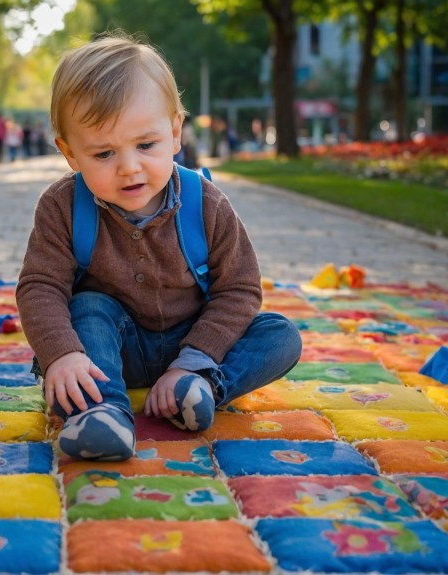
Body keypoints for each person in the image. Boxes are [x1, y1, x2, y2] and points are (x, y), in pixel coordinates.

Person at [15, 33, 302, 462]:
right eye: (104, 154)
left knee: (280, 335)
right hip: (111, 349)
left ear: (174, 133)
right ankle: (103, 411)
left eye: (145, 146)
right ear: (70, 154)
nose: (129, 167)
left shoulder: (206, 203)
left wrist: (196, 359)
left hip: (195, 340)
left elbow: (239, 289)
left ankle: (200, 386)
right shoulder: (63, 207)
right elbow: (39, 286)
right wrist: (62, 355)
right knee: (89, 306)